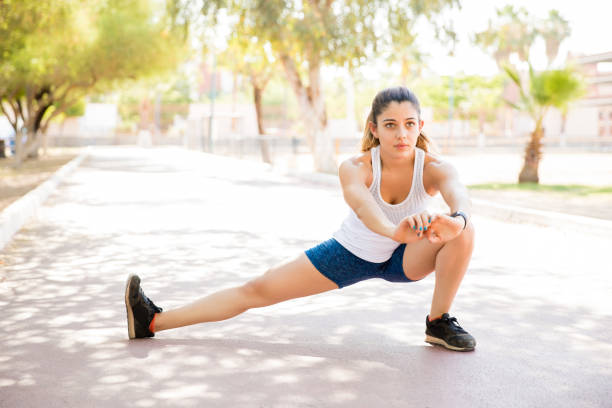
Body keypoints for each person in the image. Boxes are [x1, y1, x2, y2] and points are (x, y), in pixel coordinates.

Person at [125, 86, 477, 352]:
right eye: (390, 125)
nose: (401, 134)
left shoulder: (433, 167)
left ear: (420, 125)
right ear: (374, 128)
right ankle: (153, 320)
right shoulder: (357, 167)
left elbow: (460, 195)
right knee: (257, 290)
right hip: (352, 252)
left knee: (465, 229)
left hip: (407, 260)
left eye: (409, 124)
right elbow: (363, 207)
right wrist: (392, 230)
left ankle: (438, 322)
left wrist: (455, 222)